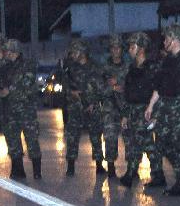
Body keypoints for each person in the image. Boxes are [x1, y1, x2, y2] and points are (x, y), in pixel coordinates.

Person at [144, 24, 180, 196]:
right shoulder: (166, 60)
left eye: (167, 38)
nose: (165, 41)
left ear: (174, 39)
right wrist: (151, 106)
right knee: (162, 144)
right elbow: (159, 87)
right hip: (165, 107)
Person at [119, 32, 161, 188]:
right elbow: (128, 93)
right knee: (138, 143)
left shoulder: (152, 68)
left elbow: (158, 91)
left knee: (145, 143)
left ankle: (153, 174)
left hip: (146, 110)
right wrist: (125, 115)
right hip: (133, 111)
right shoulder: (132, 68)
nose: (130, 50)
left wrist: (154, 114)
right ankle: (133, 173)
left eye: (133, 46)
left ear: (141, 48)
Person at [0, 39, 42, 179]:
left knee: (32, 139)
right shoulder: (4, 67)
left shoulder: (27, 65)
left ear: (13, 51)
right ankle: (18, 169)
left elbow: (26, 82)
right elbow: (0, 84)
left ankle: (37, 172)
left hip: (26, 109)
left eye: (7, 50)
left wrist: (9, 90)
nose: (5, 53)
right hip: (10, 109)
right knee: (12, 141)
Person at [61, 39, 105, 176]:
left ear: (82, 52)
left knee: (96, 136)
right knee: (72, 136)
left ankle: (99, 165)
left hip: (92, 106)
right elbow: (65, 87)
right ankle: (71, 166)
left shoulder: (95, 67)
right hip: (75, 107)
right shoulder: (70, 68)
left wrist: (94, 102)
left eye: (75, 51)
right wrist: (71, 92)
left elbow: (102, 88)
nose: (72, 54)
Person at [100, 34, 128, 179]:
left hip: (126, 107)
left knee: (129, 138)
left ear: (122, 49)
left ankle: (132, 168)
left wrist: (121, 86)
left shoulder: (128, 66)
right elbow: (100, 90)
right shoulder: (104, 68)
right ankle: (110, 167)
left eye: (118, 48)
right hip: (110, 108)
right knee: (110, 137)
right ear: (110, 50)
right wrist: (112, 88)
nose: (115, 50)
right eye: (113, 48)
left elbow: (134, 86)